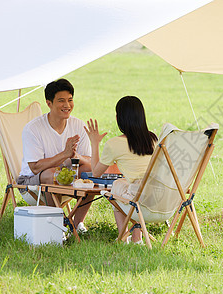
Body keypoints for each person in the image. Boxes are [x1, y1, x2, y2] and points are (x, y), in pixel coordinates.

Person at [17, 78, 93, 232]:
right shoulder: (33, 128)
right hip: (32, 181)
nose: (67, 105)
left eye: (70, 100)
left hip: (68, 177)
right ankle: (56, 225)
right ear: (49, 103)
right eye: (61, 101)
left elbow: (89, 162)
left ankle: (76, 224)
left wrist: (75, 155)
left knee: (91, 174)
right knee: (52, 174)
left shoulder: (78, 125)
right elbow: (35, 167)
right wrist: (64, 154)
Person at [84, 95, 157, 244]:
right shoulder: (153, 139)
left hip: (139, 201)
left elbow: (96, 173)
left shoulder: (114, 144)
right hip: (159, 199)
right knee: (126, 185)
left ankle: (123, 237)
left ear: (119, 119)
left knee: (117, 188)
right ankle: (137, 238)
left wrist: (95, 143)